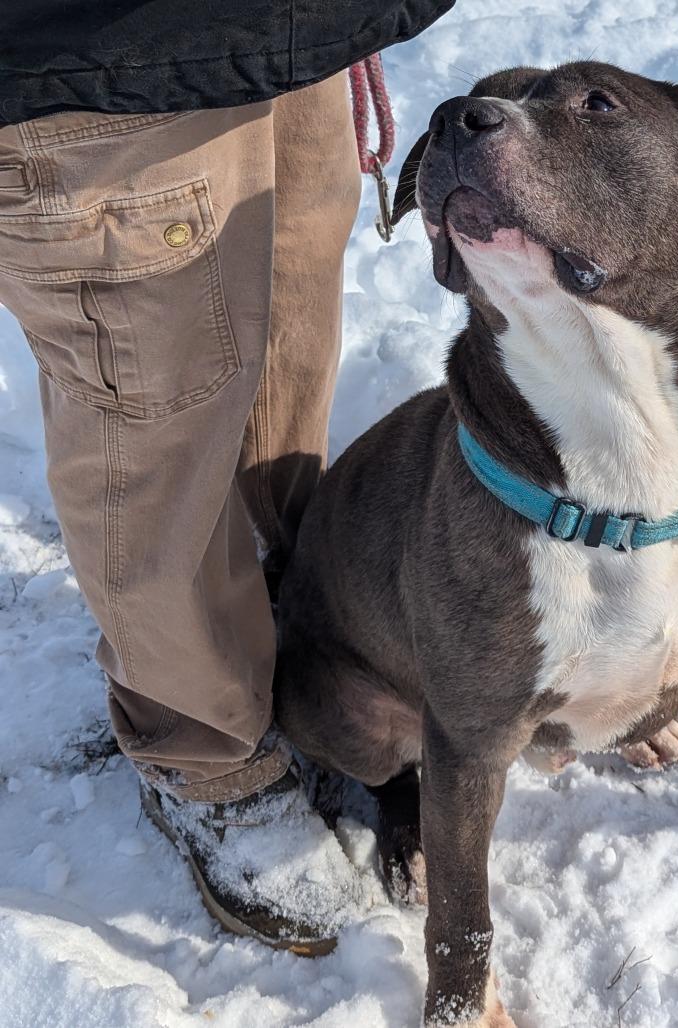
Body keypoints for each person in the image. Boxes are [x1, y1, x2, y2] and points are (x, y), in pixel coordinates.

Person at [0, 1, 454, 955]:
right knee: (152, 418)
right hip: (93, 54)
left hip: (275, 30)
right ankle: (201, 746)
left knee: (279, 344)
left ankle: (288, 620)